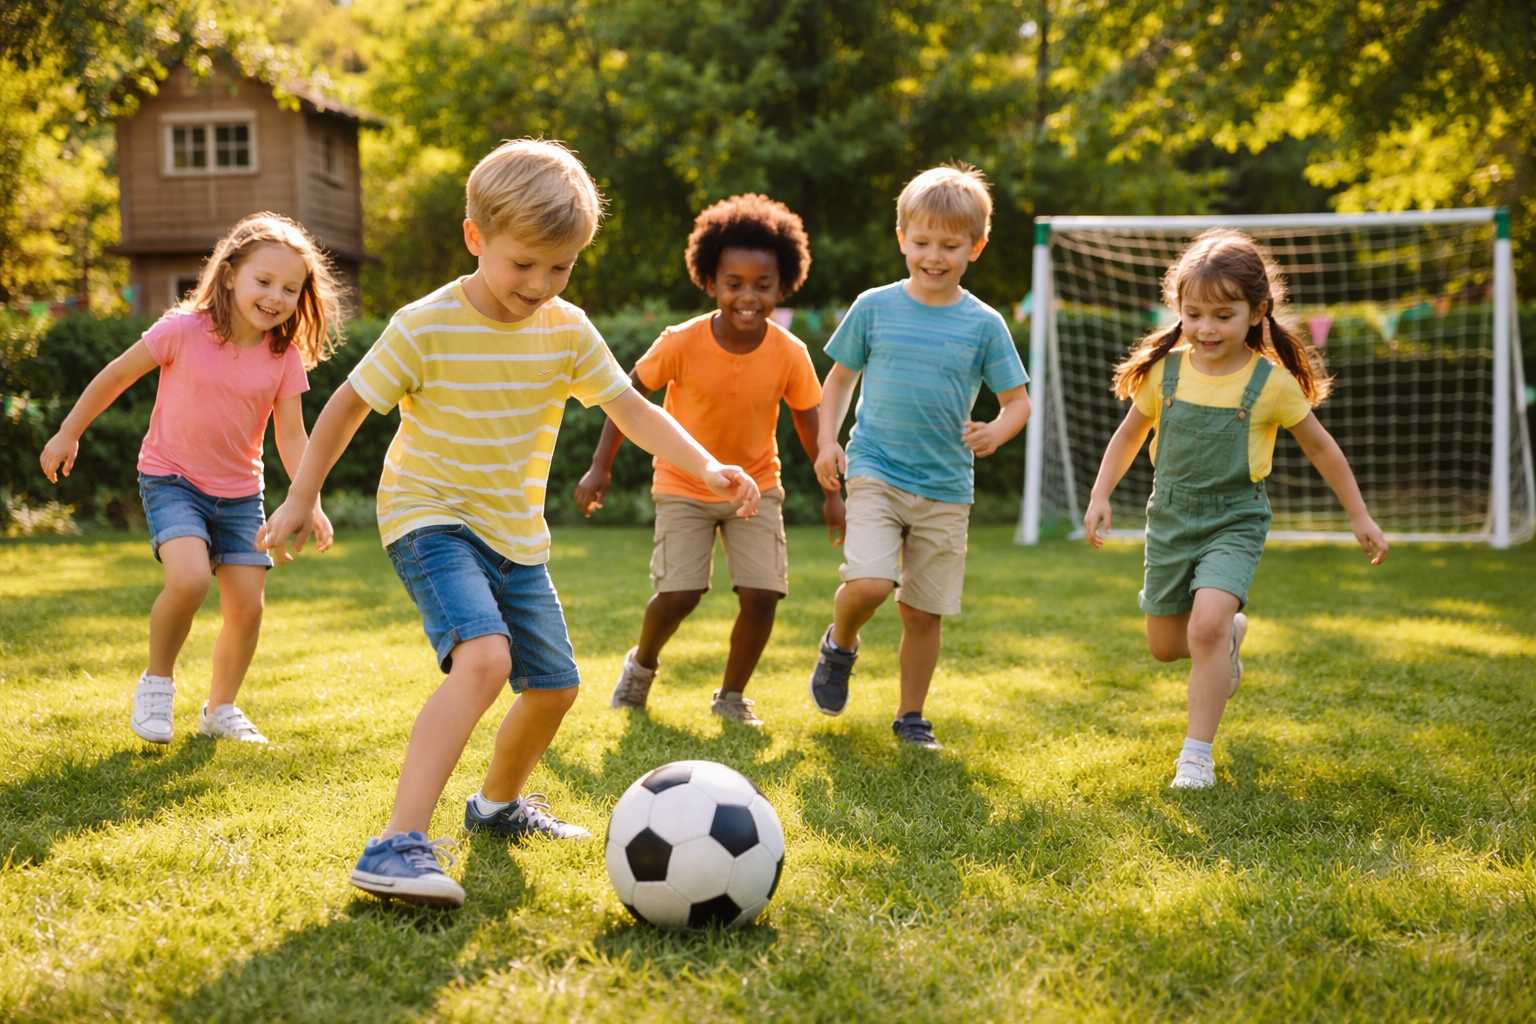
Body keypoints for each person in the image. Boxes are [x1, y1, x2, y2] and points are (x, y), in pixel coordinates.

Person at [256, 139, 760, 908]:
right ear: (475, 238)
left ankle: (496, 808)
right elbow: (349, 402)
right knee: (485, 663)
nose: (540, 284)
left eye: (560, 267)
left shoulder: (565, 327)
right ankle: (396, 844)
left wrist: (707, 465)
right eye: (524, 263)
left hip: (514, 534)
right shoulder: (427, 324)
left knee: (554, 687)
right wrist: (303, 494)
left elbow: (631, 408)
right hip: (429, 518)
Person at [1082, 228, 1388, 790]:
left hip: (1235, 519)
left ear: (1257, 311)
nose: (1205, 328)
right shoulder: (1164, 372)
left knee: (1204, 627)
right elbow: (1129, 436)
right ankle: (1230, 636)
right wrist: (1101, 496)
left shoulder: (1269, 384)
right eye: (1194, 313)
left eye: (1222, 315)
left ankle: (1195, 757)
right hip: (1170, 515)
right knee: (1166, 646)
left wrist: (1359, 515)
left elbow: (1321, 447)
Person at [39, 212, 343, 746]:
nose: (276, 297)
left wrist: (306, 499)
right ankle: (158, 683)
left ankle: (220, 709)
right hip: (171, 478)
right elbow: (117, 375)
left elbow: (292, 438)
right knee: (189, 579)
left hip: (240, 493)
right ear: (230, 276)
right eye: (264, 281)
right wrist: (69, 432)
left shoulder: (283, 357)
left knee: (247, 606)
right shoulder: (183, 330)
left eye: (290, 289)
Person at [574, 194, 844, 728]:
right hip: (683, 483)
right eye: (734, 283)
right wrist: (599, 466)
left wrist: (833, 496)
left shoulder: (790, 353)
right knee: (679, 593)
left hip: (756, 486)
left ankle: (731, 695)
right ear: (710, 281)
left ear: (783, 284)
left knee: (764, 593)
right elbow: (628, 399)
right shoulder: (681, 341)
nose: (748, 296)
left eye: (762, 285)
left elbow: (810, 427)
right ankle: (642, 665)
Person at [808, 163, 1031, 750]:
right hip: (876, 468)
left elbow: (1018, 404)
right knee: (872, 582)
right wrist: (828, 442)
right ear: (902, 236)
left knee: (922, 612)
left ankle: (911, 716)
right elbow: (836, 383)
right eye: (923, 241)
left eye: (951, 245)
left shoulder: (985, 325)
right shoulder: (875, 307)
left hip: (946, 486)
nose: (934, 256)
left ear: (976, 248)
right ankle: (840, 643)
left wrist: (998, 432)